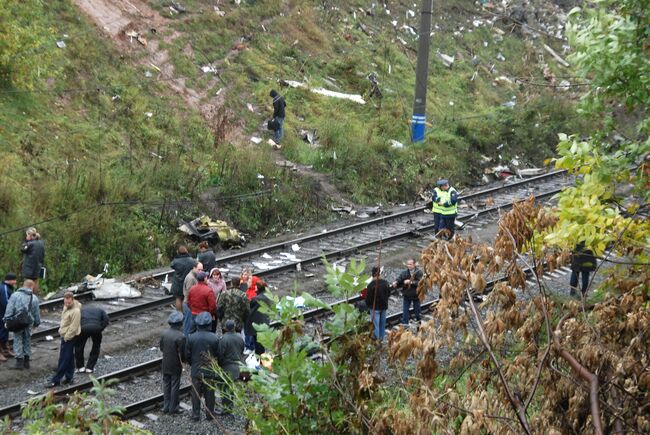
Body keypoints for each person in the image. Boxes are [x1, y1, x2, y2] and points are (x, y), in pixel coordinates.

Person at [186, 312, 219, 422]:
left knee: (196, 393)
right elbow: (218, 354)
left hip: (196, 369)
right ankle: (210, 415)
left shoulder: (191, 338)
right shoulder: (215, 338)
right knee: (210, 393)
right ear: (209, 324)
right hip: (209, 370)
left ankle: (196, 415)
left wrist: (193, 363)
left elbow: (187, 355)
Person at [3, 279, 40, 369]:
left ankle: (19, 362)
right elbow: (36, 313)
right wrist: (36, 323)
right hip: (28, 323)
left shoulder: (15, 295)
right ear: (31, 286)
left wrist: (6, 319)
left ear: (23, 285)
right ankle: (27, 362)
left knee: (18, 340)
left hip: (17, 322)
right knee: (27, 340)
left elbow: (10, 308)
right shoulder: (34, 298)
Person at [46, 292, 81, 387]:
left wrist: (66, 337)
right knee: (69, 358)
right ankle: (69, 377)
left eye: (69, 303)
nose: (67, 304)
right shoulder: (66, 307)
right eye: (65, 302)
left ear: (72, 300)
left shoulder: (76, 311)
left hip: (69, 337)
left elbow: (74, 327)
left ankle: (56, 380)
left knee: (64, 358)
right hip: (65, 335)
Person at [160, 311, 186, 414]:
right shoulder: (181, 336)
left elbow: (161, 348)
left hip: (165, 363)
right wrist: (184, 362)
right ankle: (173, 407)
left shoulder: (164, 333)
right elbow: (183, 353)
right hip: (175, 364)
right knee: (175, 385)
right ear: (180, 323)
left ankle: (166, 406)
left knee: (166, 384)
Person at [217, 319, 244, 415]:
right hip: (237, 365)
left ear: (225, 328)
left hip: (227, 366)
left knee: (225, 388)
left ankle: (227, 409)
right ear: (234, 327)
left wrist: (219, 365)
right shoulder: (240, 337)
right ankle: (230, 407)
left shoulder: (223, 339)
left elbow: (220, 354)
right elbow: (242, 350)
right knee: (231, 387)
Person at [74, 306, 109, 373]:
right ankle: (90, 368)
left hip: (84, 328)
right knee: (96, 346)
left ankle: (80, 367)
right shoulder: (101, 310)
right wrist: (101, 328)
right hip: (96, 328)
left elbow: (75, 321)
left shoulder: (81, 311)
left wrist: (79, 330)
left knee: (79, 346)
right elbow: (106, 319)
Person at [393, 259, 424, 325]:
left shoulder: (419, 272)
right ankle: (405, 326)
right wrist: (396, 282)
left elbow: (421, 283)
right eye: (408, 264)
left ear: (414, 264)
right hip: (407, 295)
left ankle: (419, 325)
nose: (409, 266)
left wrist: (411, 282)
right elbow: (400, 278)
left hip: (416, 296)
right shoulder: (404, 272)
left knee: (417, 312)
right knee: (405, 312)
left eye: (410, 264)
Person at [245, 282, 272, 355]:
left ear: (259, 288)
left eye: (256, 287)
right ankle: (262, 356)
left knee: (257, 343)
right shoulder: (268, 296)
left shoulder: (256, 298)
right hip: (265, 321)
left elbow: (249, 306)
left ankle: (259, 358)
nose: (255, 288)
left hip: (256, 323)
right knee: (261, 342)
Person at [365, 266, 391, 341]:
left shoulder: (371, 285)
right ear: (380, 273)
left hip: (375, 308)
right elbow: (388, 293)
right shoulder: (385, 283)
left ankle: (377, 341)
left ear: (372, 274)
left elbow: (368, 299)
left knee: (375, 326)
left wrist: (369, 306)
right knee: (382, 325)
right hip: (384, 307)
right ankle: (381, 339)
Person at [170, 245, 196, 311]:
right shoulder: (191, 260)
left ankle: (179, 314)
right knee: (188, 298)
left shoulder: (176, 261)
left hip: (178, 282)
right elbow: (195, 264)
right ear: (186, 251)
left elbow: (172, 265)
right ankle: (187, 312)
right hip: (188, 282)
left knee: (178, 298)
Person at [182, 262, 204, 336]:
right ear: (194, 268)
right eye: (199, 269)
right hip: (189, 305)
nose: (200, 271)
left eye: (202, 270)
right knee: (188, 325)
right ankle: (186, 342)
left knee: (190, 324)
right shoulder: (191, 278)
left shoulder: (194, 276)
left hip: (190, 304)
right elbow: (189, 293)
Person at [21, 227, 45, 293]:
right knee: (35, 283)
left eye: (27, 235)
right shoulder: (41, 243)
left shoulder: (30, 244)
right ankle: (35, 297)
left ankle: (27, 299)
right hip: (37, 268)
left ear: (29, 235)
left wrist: (27, 241)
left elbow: (23, 249)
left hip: (29, 270)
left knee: (27, 284)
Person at [0, 272, 17, 362]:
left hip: (4, 314)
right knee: (1, 332)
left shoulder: (7, 287)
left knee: (5, 332)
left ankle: (5, 350)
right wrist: (12, 313)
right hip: (2, 314)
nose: (15, 282)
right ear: (9, 280)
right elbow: (6, 303)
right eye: (14, 280)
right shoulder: (5, 289)